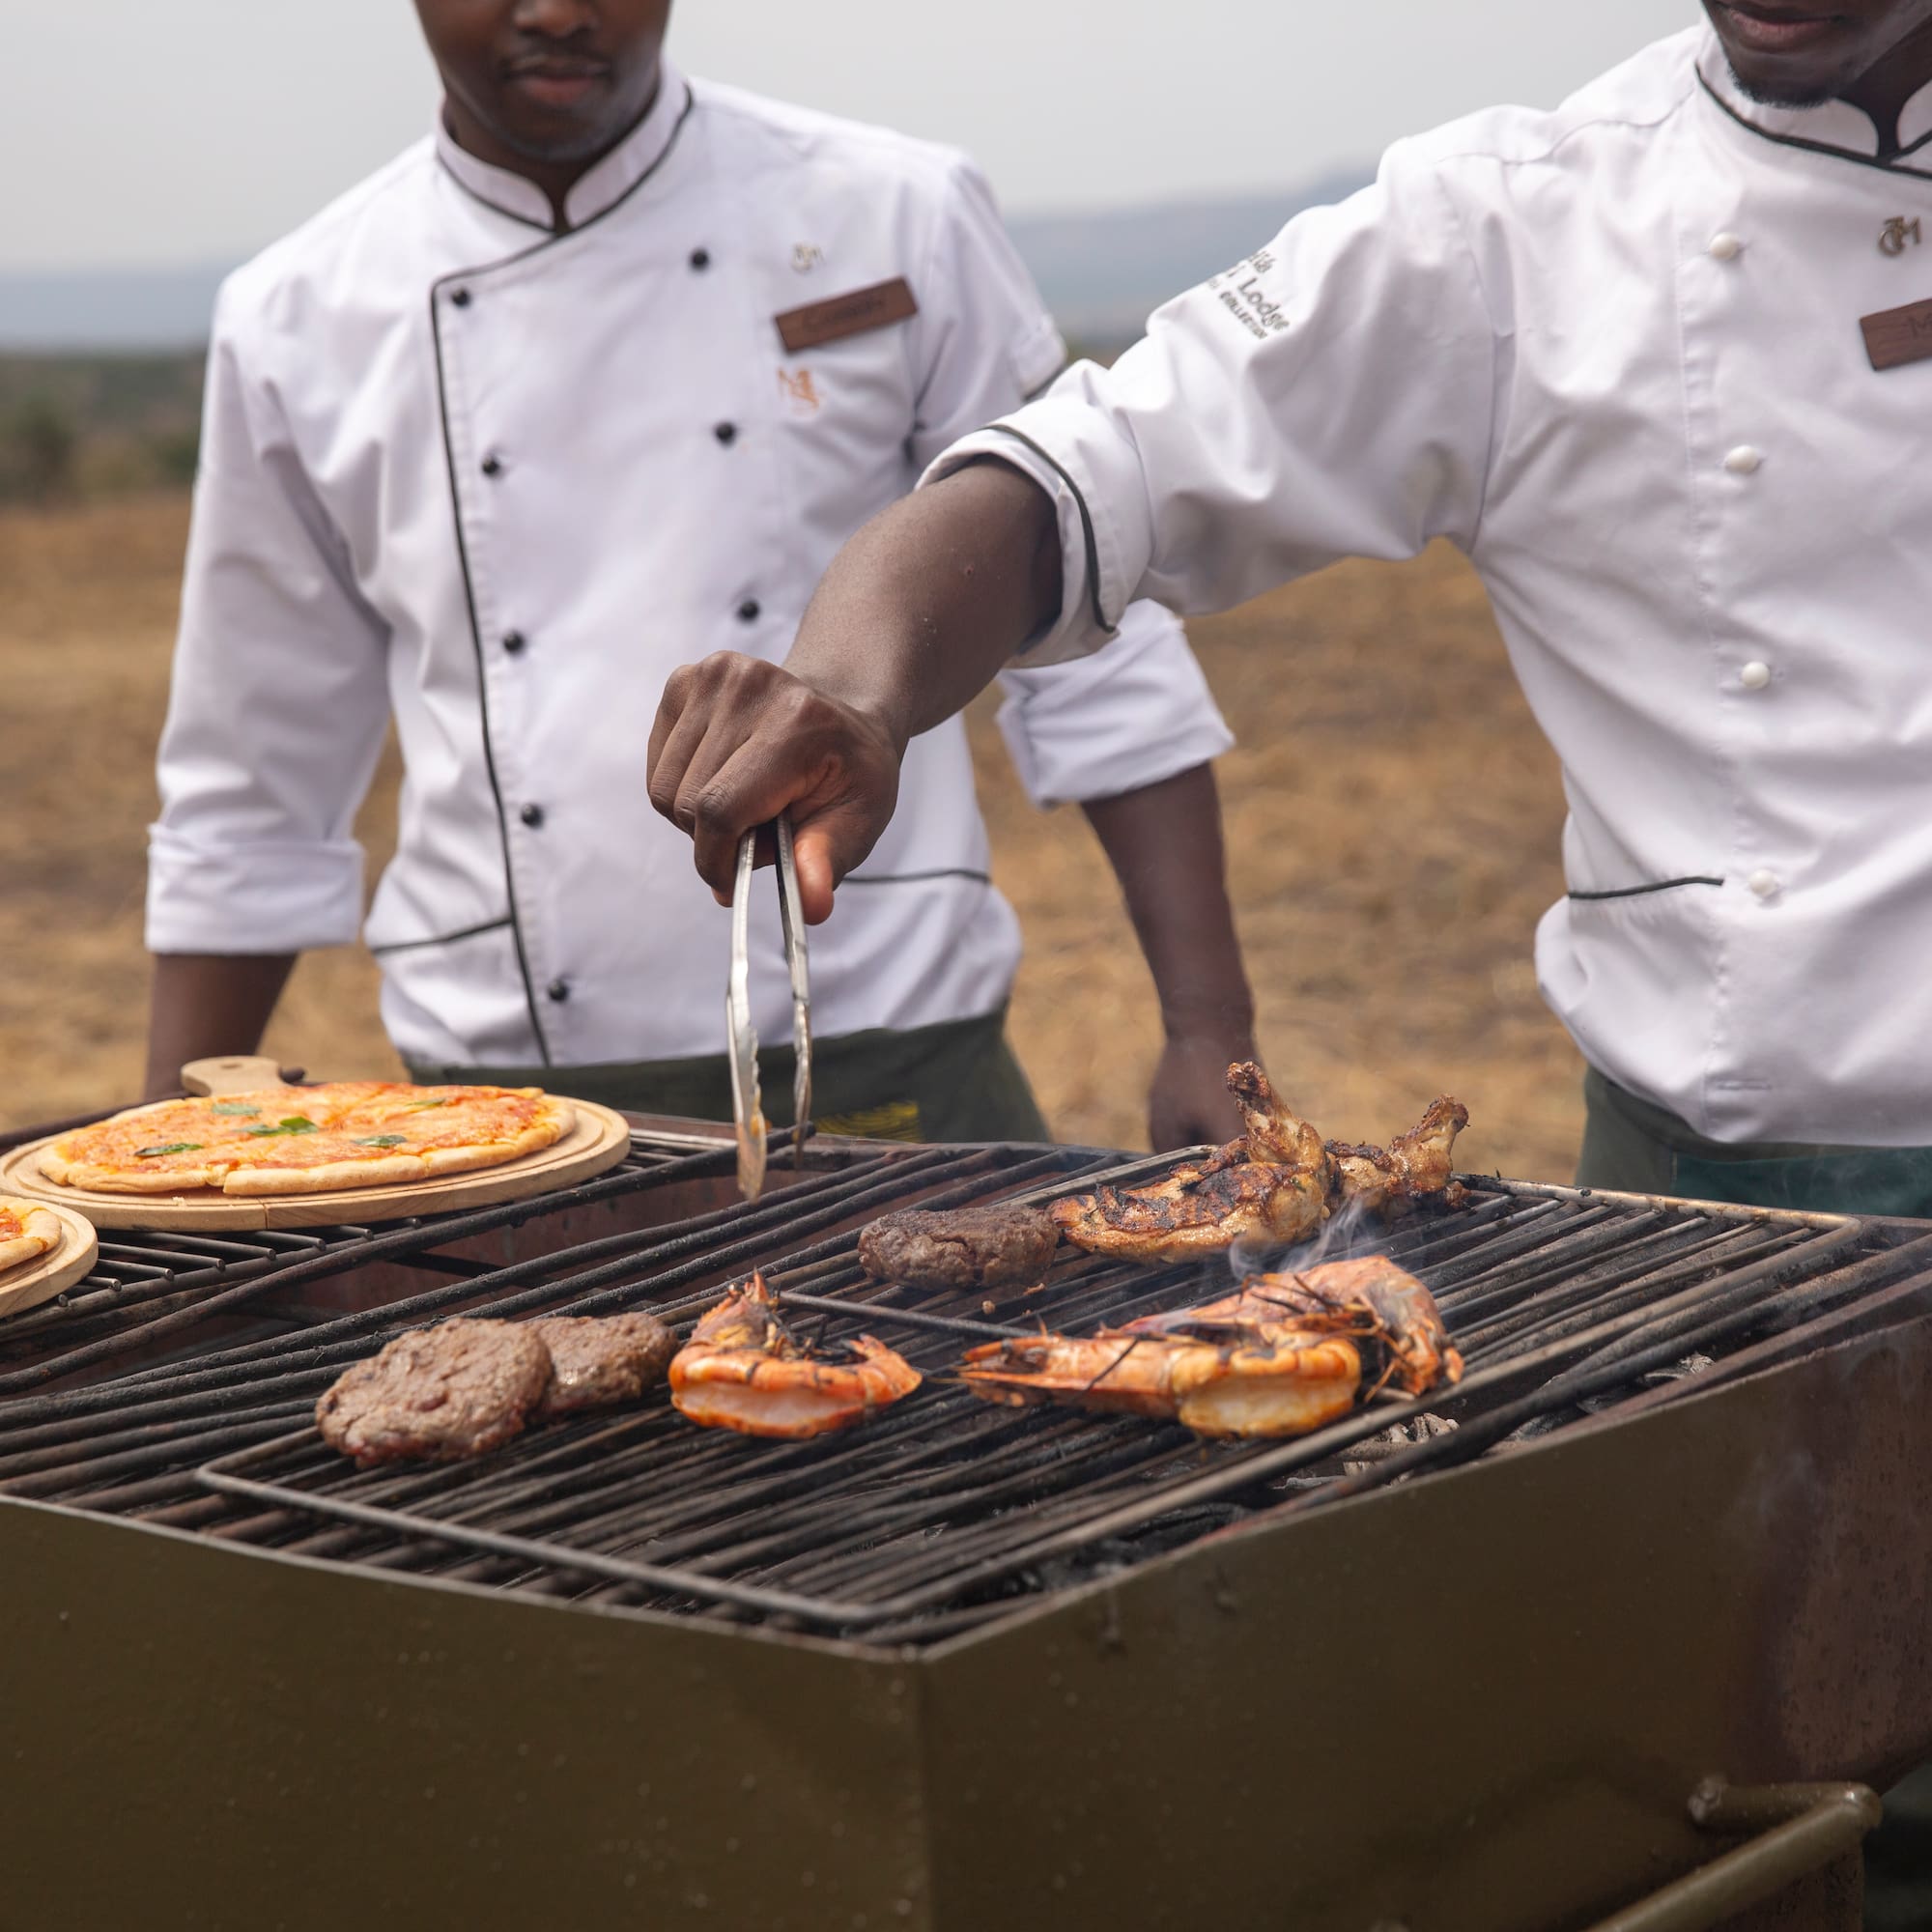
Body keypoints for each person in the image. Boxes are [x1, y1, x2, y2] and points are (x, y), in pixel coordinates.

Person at [646, 3, 1932, 1911]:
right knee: (1784, 1832)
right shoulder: (1515, 226)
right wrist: (854, 678)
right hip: (1747, 1250)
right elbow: (1073, 477)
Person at [143, 0, 1259, 1150]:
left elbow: (1092, 637)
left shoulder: (893, 214)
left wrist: (1210, 1030)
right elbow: (250, 786)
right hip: (496, 1106)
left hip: (891, 1054)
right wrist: (149, 1159)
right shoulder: (294, 318)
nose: (559, 12)